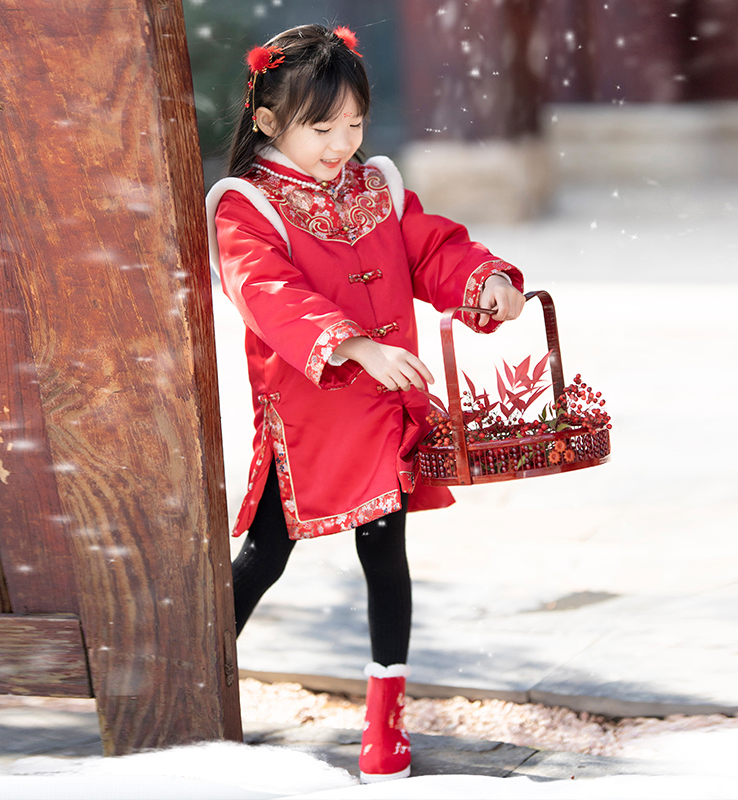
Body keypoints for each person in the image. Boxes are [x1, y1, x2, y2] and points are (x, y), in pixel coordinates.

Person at [206, 24, 525, 783]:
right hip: (311, 413)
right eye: (322, 127)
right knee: (266, 555)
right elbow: (268, 293)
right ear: (266, 121)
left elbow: (428, 247)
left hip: (386, 411)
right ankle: (190, 688)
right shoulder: (246, 205)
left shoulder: (374, 185)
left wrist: (482, 281)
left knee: (387, 552)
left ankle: (385, 724)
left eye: (354, 123)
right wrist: (354, 345)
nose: (342, 143)